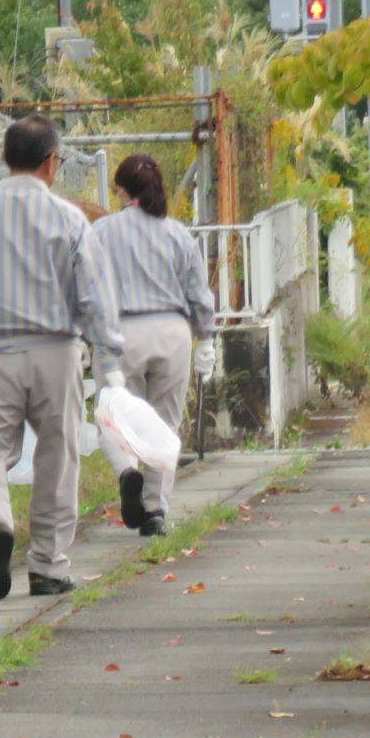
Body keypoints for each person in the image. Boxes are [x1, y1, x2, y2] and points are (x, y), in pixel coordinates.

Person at [0, 116, 123, 600]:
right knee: (58, 456)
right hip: (58, 353)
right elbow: (96, 298)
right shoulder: (69, 219)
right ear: (52, 163)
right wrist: (109, 360)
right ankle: (48, 567)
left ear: (4, 158)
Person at [95, 153, 215, 537]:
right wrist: (207, 339)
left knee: (112, 415)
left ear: (121, 190)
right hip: (172, 332)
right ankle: (155, 512)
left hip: (120, 333)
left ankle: (126, 473)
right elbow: (199, 294)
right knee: (164, 424)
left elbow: (86, 289)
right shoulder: (178, 234)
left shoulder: (102, 232)